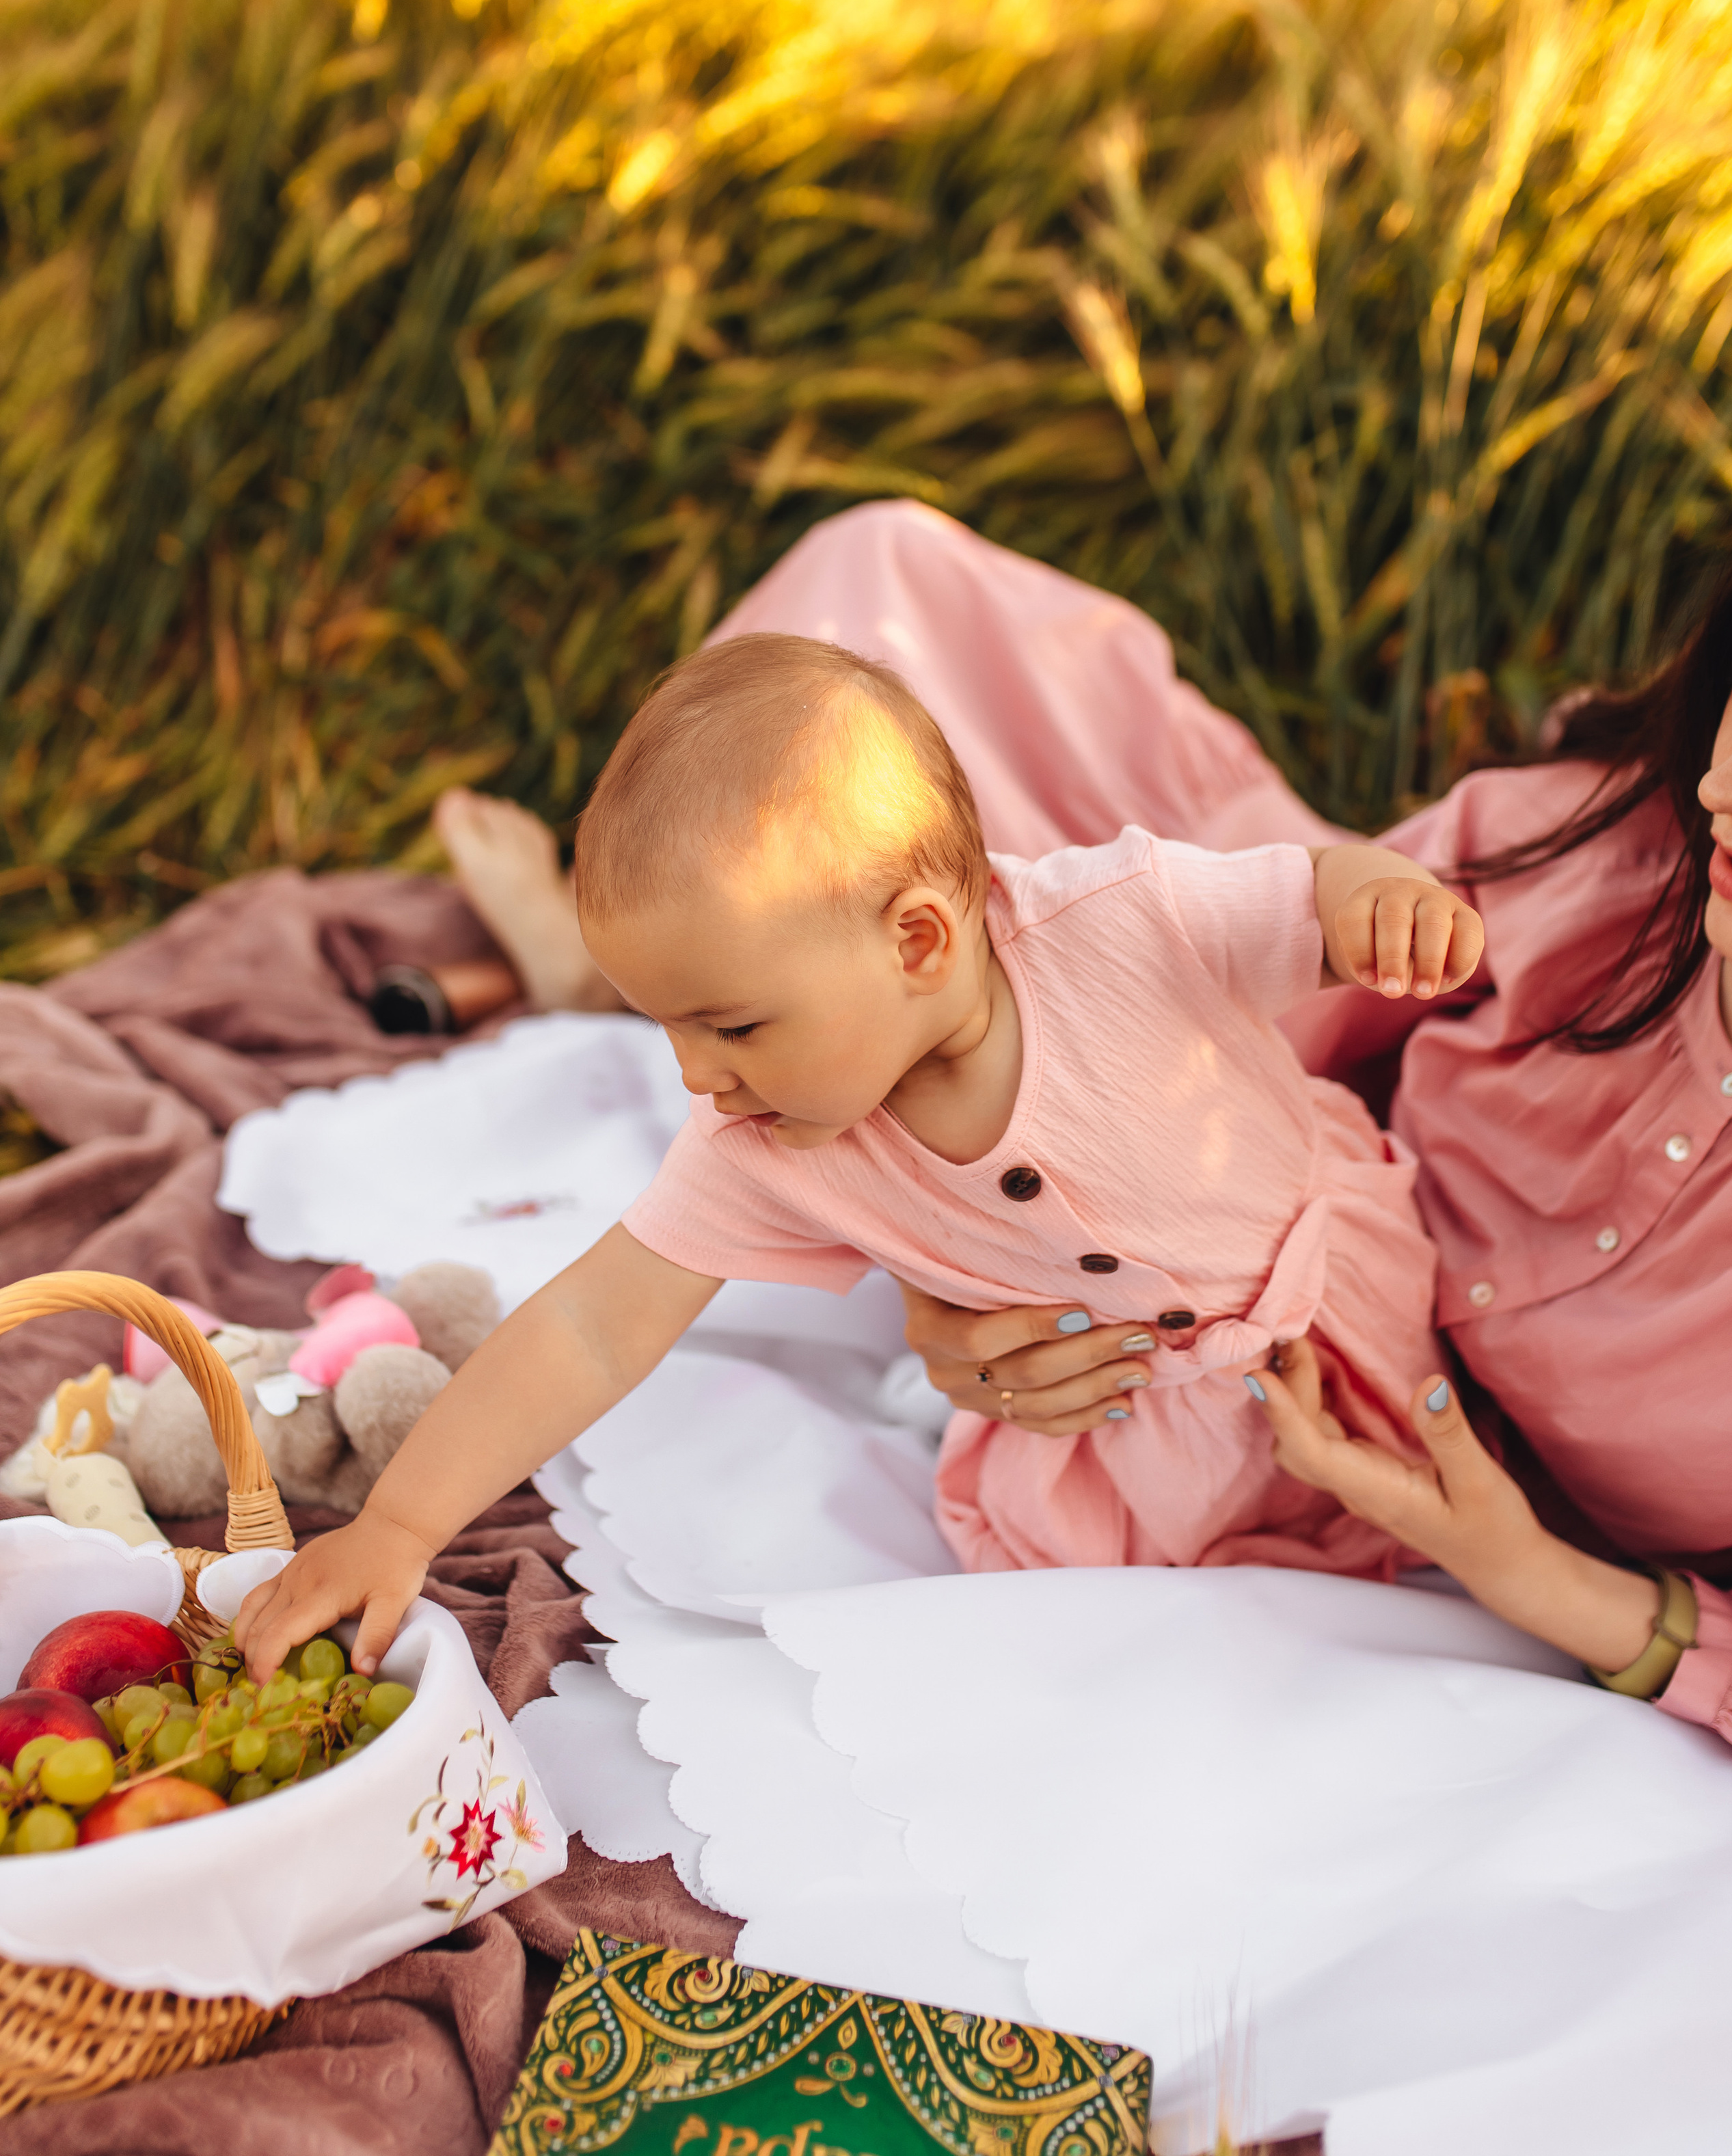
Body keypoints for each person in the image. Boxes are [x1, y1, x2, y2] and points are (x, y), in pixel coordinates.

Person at [439, 499, 1732, 1740]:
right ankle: (643, 978)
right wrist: (964, 1212)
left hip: (1335, 1362)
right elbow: (1304, 979)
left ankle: (627, 984)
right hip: (1243, 1139)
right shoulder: (1635, 846)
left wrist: (1548, 1583)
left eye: (712, 1039)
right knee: (872, 606)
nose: (1725, 783)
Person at [235, 622, 1485, 1677]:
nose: (693, 1072)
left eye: (731, 1024)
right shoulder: (770, 1139)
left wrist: (1383, 898)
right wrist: (397, 1526)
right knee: (1139, 1656)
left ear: (921, 944)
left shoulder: (1126, 919)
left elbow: (1304, 898)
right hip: (1132, 1436)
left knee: (1417, 1532)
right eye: (665, 1024)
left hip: (1338, 1315)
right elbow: (593, 1326)